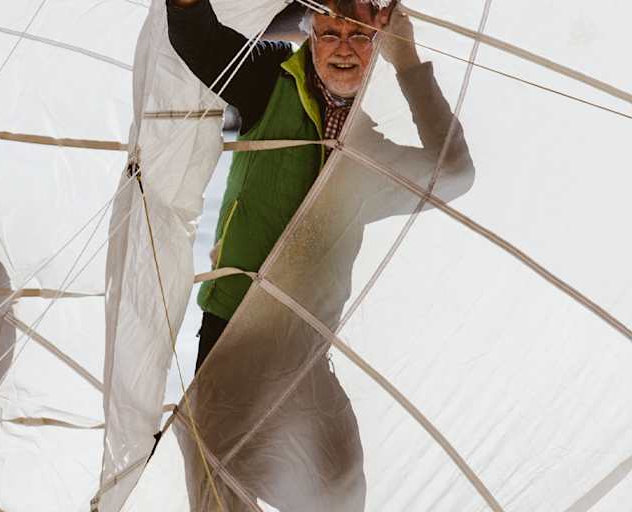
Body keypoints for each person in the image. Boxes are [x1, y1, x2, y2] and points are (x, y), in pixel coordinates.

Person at [167, 0, 474, 371]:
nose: (344, 47)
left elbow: (454, 173)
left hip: (309, 339)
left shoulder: (365, 149)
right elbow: (197, 38)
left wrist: (405, 57)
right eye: (331, 33)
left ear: (377, 43)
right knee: (218, 429)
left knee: (332, 432)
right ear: (310, 38)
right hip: (234, 325)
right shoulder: (269, 79)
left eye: (358, 35)